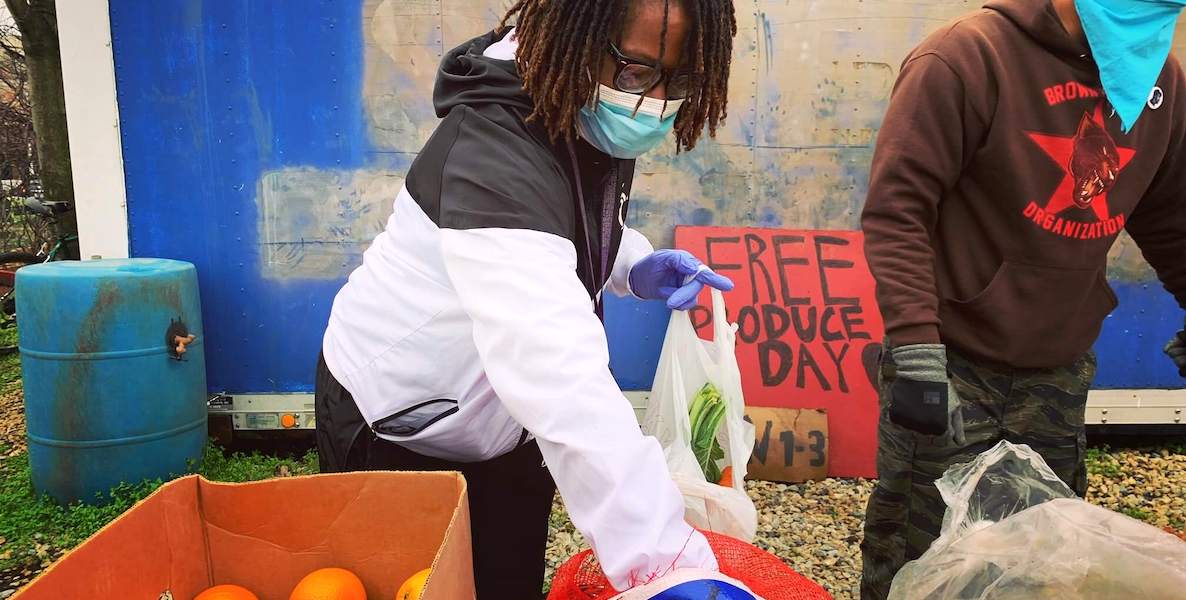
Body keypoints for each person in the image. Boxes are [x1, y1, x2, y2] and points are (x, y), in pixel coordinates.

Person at [316, 1, 747, 598]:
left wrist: (633, 264)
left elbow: (568, 225)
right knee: (400, 583)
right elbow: (554, 369)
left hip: (503, 422)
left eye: (679, 79)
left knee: (504, 580)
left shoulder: (580, 102)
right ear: (578, 35)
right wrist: (661, 558)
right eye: (636, 70)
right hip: (400, 416)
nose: (652, 101)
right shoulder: (491, 150)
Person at [859, 0, 1186, 597]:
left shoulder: (1160, 82)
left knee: (1043, 561)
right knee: (918, 552)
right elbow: (897, 210)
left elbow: (1172, 220)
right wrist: (914, 348)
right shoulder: (965, 57)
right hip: (952, 365)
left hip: (1057, 371)